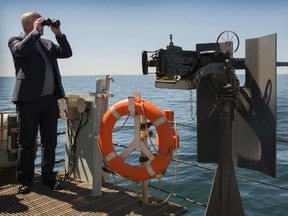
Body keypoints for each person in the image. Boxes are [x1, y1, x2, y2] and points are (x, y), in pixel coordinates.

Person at [8, 11, 72, 194]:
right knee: (27, 142)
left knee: (49, 141)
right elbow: (21, 51)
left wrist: (58, 33)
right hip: (28, 101)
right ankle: (26, 180)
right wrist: (35, 32)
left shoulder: (48, 43)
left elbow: (67, 53)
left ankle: (48, 178)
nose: (43, 24)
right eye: (39, 21)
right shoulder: (16, 40)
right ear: (29, 24)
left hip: (50, 100)